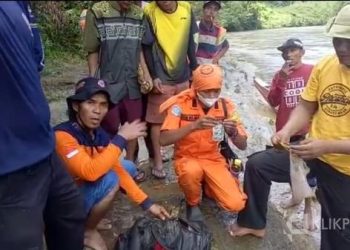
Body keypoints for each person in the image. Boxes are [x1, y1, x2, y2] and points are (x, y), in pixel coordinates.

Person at [0, 2, 85, 250]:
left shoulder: (20, 6)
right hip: (9, 165)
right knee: (22, 242)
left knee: (70, 214)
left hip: (43, 147)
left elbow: (34, 63)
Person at [54, 77, 171, 250]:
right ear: (76, 106)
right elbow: (90, 172)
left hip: (80, 189)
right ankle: (87, 230)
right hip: (60, 204)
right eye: (91, 103)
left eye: (103, 105)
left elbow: (115, 168)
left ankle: (91, 217)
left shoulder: (98, 134)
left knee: (127, 167)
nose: (97, 111)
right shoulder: (62, 136)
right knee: (111, 180)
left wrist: (148, 204)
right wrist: (121, 138)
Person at [272, 5, 350, 249]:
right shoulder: (326, 65)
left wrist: (325, 146)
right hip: (316, 154)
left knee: (341, 231)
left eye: (349, 41)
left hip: (344, 170)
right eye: (338, 39)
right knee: (258, 165)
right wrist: (285, 131)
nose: (342, 48)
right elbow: (305, 106)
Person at [231, 38, 316, 238]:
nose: (288, 55)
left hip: (308, 134)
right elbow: (272, 101)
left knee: (308, 175)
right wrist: (282, 80)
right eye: (285, 52)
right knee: (290, 172)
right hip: (285, 134)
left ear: (302, 52)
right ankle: (297, 199)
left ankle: (308, 208)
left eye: (292, 50)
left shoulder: (313, 71)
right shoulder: (279, 75)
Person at [159, 64, 247, 226]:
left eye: (216, 90)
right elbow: (163, 139)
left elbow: (243, 145)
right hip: (187, 157)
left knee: (236, 204)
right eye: (207, 91)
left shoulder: (226, 107)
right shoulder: (180, 105)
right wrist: (193, 126)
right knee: (191, 172)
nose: (212, 95)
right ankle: (192, 202)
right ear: (196, 88)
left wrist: (233, 132)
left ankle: (207, 188)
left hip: (213, 158)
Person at [84, 1, 152, 164]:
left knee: (134, 124)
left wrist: (146, 74)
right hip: (108, 82)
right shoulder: (98, 12)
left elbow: (139, 48)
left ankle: (130, 165)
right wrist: (93, 81)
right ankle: (109, 165)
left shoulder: (139, 14)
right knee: (109, 126)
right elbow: (92, 49)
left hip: (132, 82)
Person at [143, 0, 199, 178]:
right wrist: (152, 75)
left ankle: (182, 155)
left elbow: (191, 41)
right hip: (162, 77)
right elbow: (146, 46)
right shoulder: (149, 11)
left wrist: (195, 69)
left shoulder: (187, 8)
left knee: (184, 118)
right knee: (157, 121)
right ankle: (158, 161)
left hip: (183, 75)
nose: (164, 2)